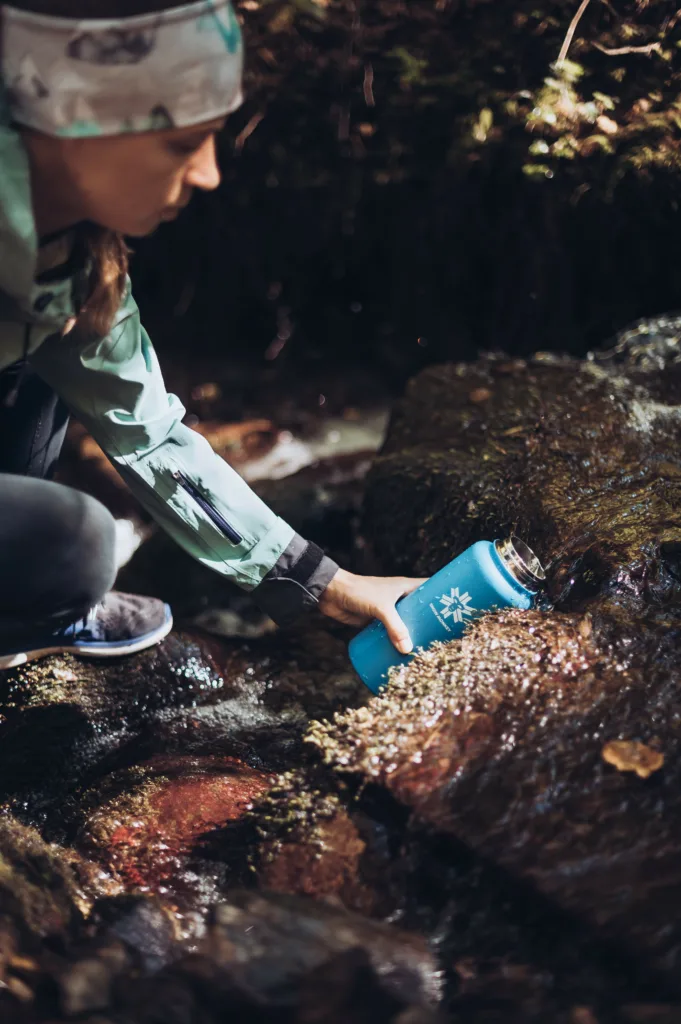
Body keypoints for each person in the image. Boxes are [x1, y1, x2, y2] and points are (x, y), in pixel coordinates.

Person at [0, 0, 425, 669]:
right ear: (69, 121)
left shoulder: (73, 267)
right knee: (73, 540)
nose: (208, 173)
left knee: (46, 383)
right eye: (180, 142)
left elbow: (149, 434)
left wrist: (323, 585)